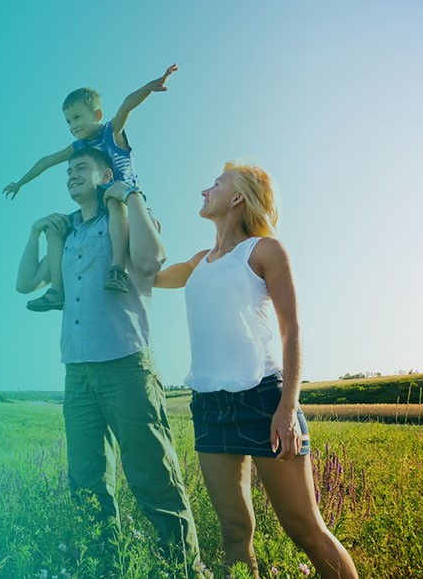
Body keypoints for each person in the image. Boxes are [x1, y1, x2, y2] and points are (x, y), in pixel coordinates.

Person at [154, 163, 358, 578]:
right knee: (234, 531)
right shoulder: (199, 263)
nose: (204, 190)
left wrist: (287, 408)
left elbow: (292, 329)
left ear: (237, 197)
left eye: (215, 183)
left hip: (264, 400)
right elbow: (146, 278)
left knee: (305, 530)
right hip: (209, 406)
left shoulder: (265, 251)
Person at [15, 146, 200, 571]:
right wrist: (35, 232)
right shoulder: (68, 235)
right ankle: (104, 567)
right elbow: (25, 282)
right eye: (67, 171)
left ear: (103, 175)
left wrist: (130, 194)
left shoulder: (124, 216)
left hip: (126, 363)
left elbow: (152, 261)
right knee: (86, 483)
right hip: (77, 372)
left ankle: (184, 569)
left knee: (152, 476)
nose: (70, 175)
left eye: (80, 167)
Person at [4, 65, 178, 312]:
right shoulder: (78, 146)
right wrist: (21, 182)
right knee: (56, 229)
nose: (72, 125)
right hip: (96, 204)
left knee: (113, 201)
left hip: (122, 196)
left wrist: (150, 87)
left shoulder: (111, 132)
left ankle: (117, 268)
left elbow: (127, 105)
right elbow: (47, 160)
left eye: (77, 118)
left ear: (96, 115)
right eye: (67, 121)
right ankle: (57, 291)